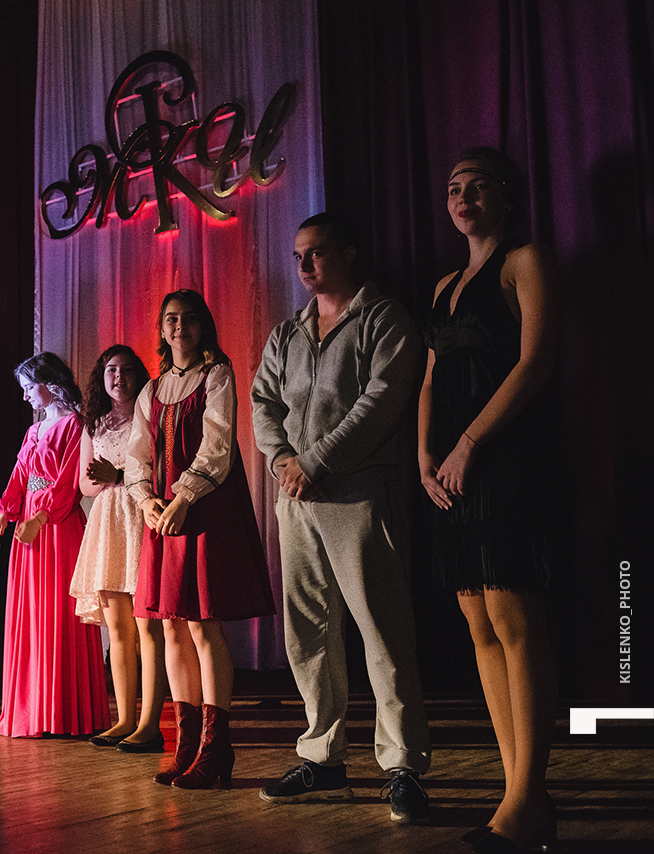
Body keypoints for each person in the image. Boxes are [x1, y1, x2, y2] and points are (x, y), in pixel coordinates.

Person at [251, 214, 430, 822]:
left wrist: (317, 461)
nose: (305, 266)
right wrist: (283, 461)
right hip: (296, 498)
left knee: (382, 628)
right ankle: (323, 759)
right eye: (298, 256)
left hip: (358, 493)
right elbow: (263, 402)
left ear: (349, 253)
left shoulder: (383, 318)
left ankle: (403, 766)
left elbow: (382, 399)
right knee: (308, 633)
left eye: (317, 253)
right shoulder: (287, 333)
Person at [420, 148, 561, 853]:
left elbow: (536, 361)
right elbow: (429, 378)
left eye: (478, 186)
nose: (463, 197)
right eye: (454, 188)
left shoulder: (524, 260)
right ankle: (518, 793)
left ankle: (527, 797)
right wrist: (424, 455)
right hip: (449, 470)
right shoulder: (444, 285)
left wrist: (471, 442)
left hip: (503, 457)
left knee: (513, 621)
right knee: (478, 624)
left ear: (506, 196)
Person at [126, 291, 275, 788]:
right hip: (163, 513)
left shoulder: (217, 376)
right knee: (171, 626)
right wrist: (146, 500)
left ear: (202, 325)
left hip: (203, 507)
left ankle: (216, 748)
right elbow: (137, 454)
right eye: (171, 319)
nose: (179, 326)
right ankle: (185, 745)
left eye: (188, 319)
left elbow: (217, 445)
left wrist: (183, 498)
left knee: (204, 626)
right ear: (161, 329)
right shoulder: (152, 390)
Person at [0, 353, 109, 738]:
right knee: (31, 613)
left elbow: (70, 482)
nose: (26, 395)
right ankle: (32, 710)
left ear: (51, 383)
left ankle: (61, 711)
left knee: (57, 612)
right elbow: (20, 475)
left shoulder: (75, 424)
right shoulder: (34, 430)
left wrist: (40, 517)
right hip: (29, 524)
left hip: (56, 526)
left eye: (30, 387)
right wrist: (6, 512)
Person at [68, 345, 168, 753]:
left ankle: (150, 724)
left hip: (142, 516)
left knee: (148, 627)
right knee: (119, 631)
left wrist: (120, 474)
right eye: (111, 370)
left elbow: (163, 471)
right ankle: (125, 718)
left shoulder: (152, 416)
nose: (118, 377)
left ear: (138, 375)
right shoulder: (95, 423)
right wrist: (105, 478)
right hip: (108, 521)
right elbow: (84, 484)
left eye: (126, 369)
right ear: (101, 377)